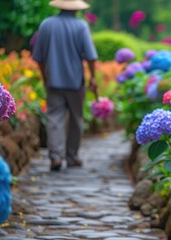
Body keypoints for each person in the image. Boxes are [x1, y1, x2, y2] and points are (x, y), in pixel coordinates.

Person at [33, 0, 98, 171]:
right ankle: (71, 156)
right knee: (76, 119)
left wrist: (45, 77)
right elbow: (91, 56)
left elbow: (38, 57)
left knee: (54, 118)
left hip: (53, 80)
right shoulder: (81, 26)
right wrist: (93, 78)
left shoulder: (46, 25)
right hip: (75, 82)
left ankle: (55, 156)